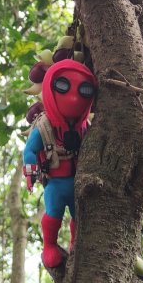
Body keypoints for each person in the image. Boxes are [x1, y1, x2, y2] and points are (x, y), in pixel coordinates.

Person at [23, 59, 97, 268]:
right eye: (63, 87)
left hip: (78, 181)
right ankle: (50, 245)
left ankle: (75, 242)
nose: (74, 98)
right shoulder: (44, 126)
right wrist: (31, 172)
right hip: (54, 182)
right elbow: (29, 150)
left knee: (78, 214)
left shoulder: (86, 127)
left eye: (84, 90)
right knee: (53, 213)